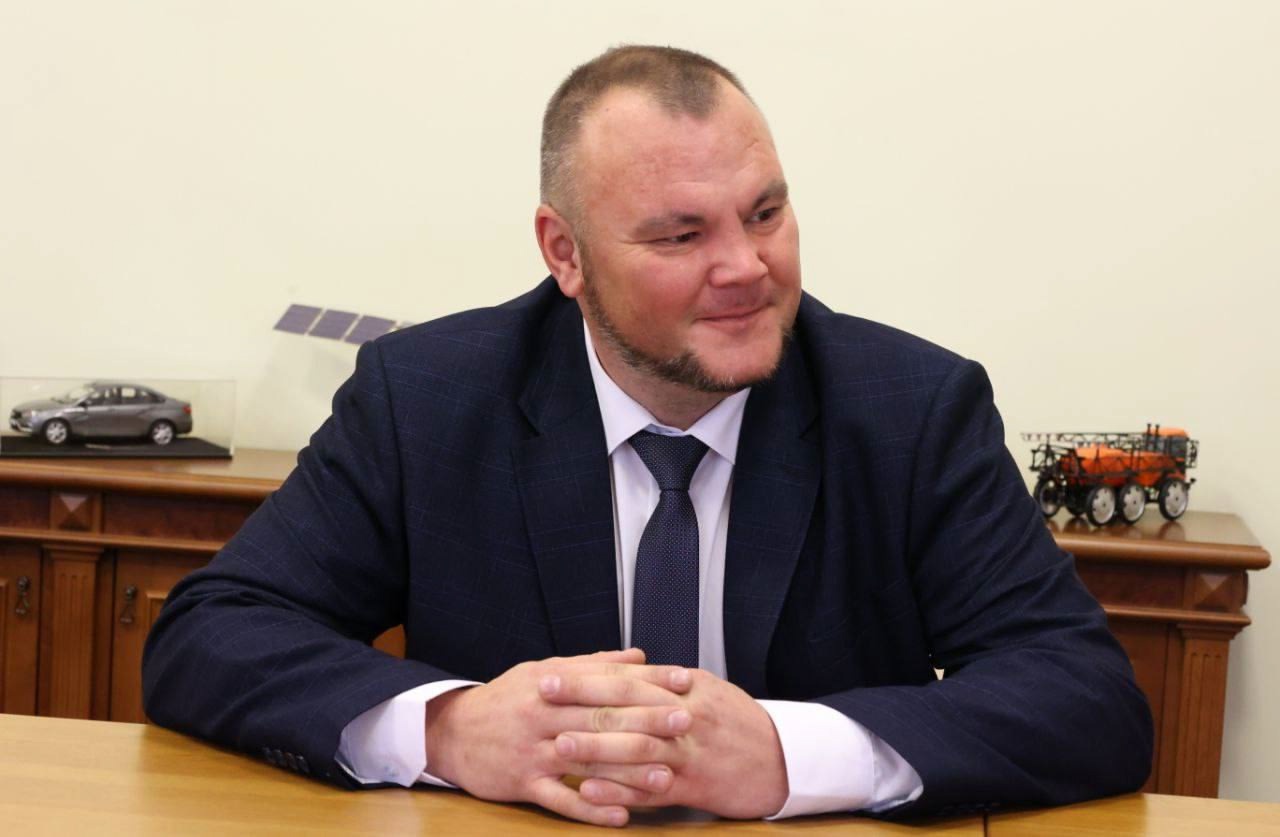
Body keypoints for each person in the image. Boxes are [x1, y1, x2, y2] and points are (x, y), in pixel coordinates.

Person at [142, 45, 1153, 827]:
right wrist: (450, 729)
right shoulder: (429, 400)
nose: (745, 266)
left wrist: (785, 754)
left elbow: (1086, 698)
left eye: (765, 213)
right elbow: (209, 634)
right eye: (681, 235)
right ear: (565, 254)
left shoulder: (909, 410)